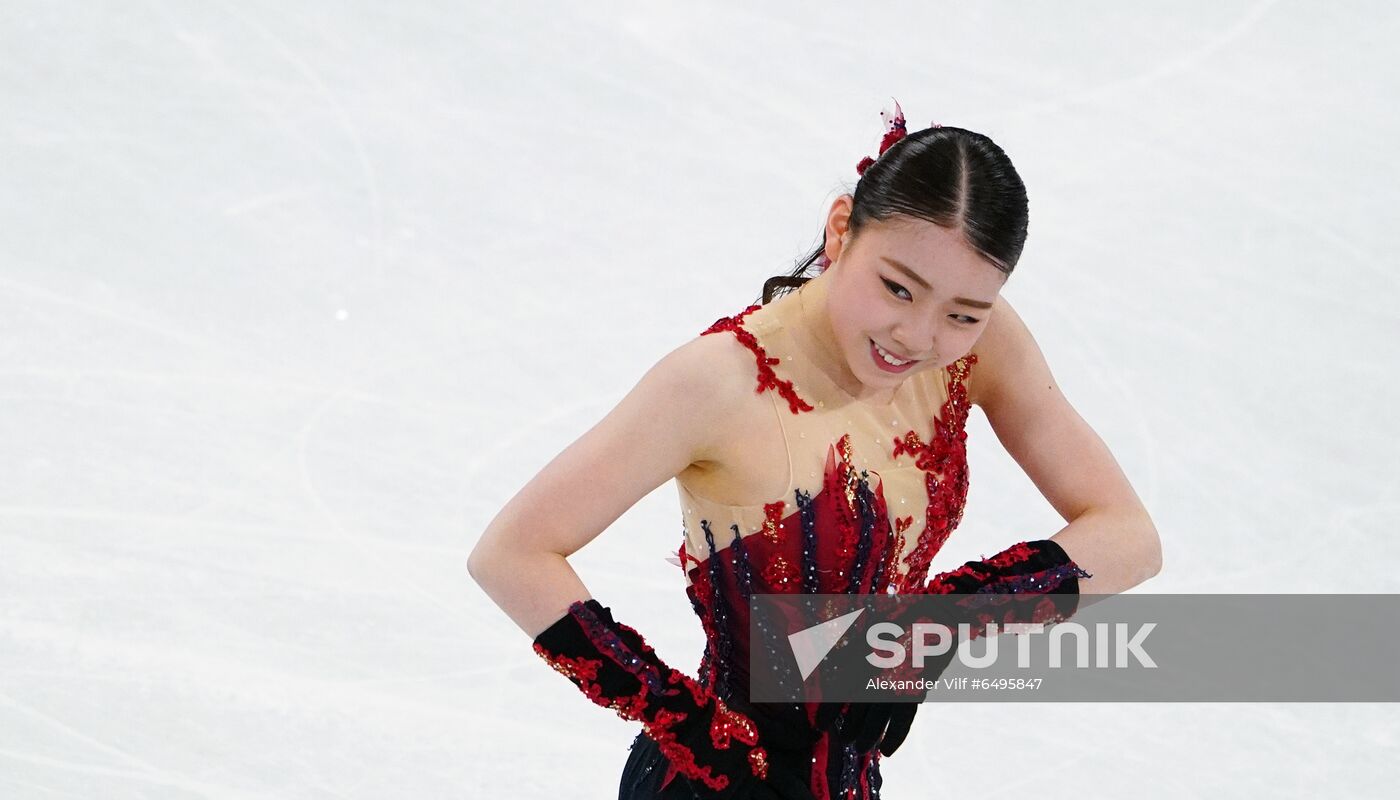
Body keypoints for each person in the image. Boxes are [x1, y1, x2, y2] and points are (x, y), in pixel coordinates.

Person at [468, 99, 1163, 799]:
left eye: (961, 313)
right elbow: (513, 553)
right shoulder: (719, 383)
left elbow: (1127, 535)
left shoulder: (980, 349)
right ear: (841, 230)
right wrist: (684, 724)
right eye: (897, 287)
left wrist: (929, 625)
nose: (917, 337)